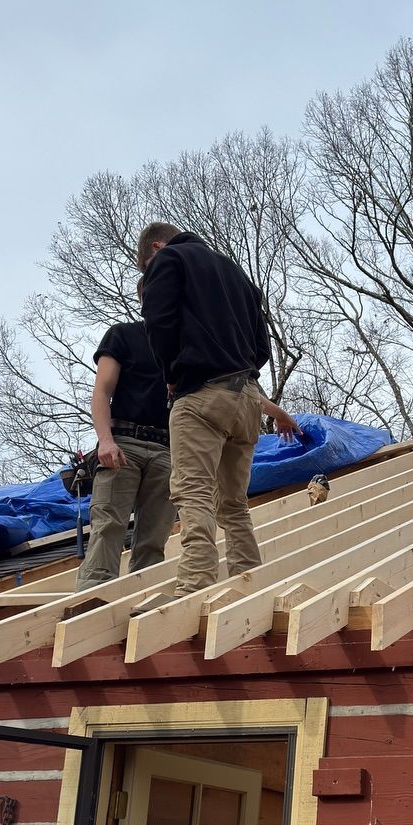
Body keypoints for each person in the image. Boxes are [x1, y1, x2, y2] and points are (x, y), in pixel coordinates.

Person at [136, 221, 301, 595]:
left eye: (146, 268)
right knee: (233, 504)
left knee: (192, 492)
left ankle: (194, 585)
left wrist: (171, 374)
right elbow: (261, 346)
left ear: (157, 248)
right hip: (246, 398)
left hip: (200, 396)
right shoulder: (234, 271)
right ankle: (250, 585)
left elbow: (159, 323)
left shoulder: (168, 260)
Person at [76, 304, 176, 587]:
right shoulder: (123, 335)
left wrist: (276, 414)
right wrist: (105, 441)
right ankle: (92, 603)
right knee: (108, 526)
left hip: (167, 450)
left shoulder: (184, 347)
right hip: (123, 443)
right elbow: (102, 392)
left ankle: (142, 604)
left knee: (155, 537)